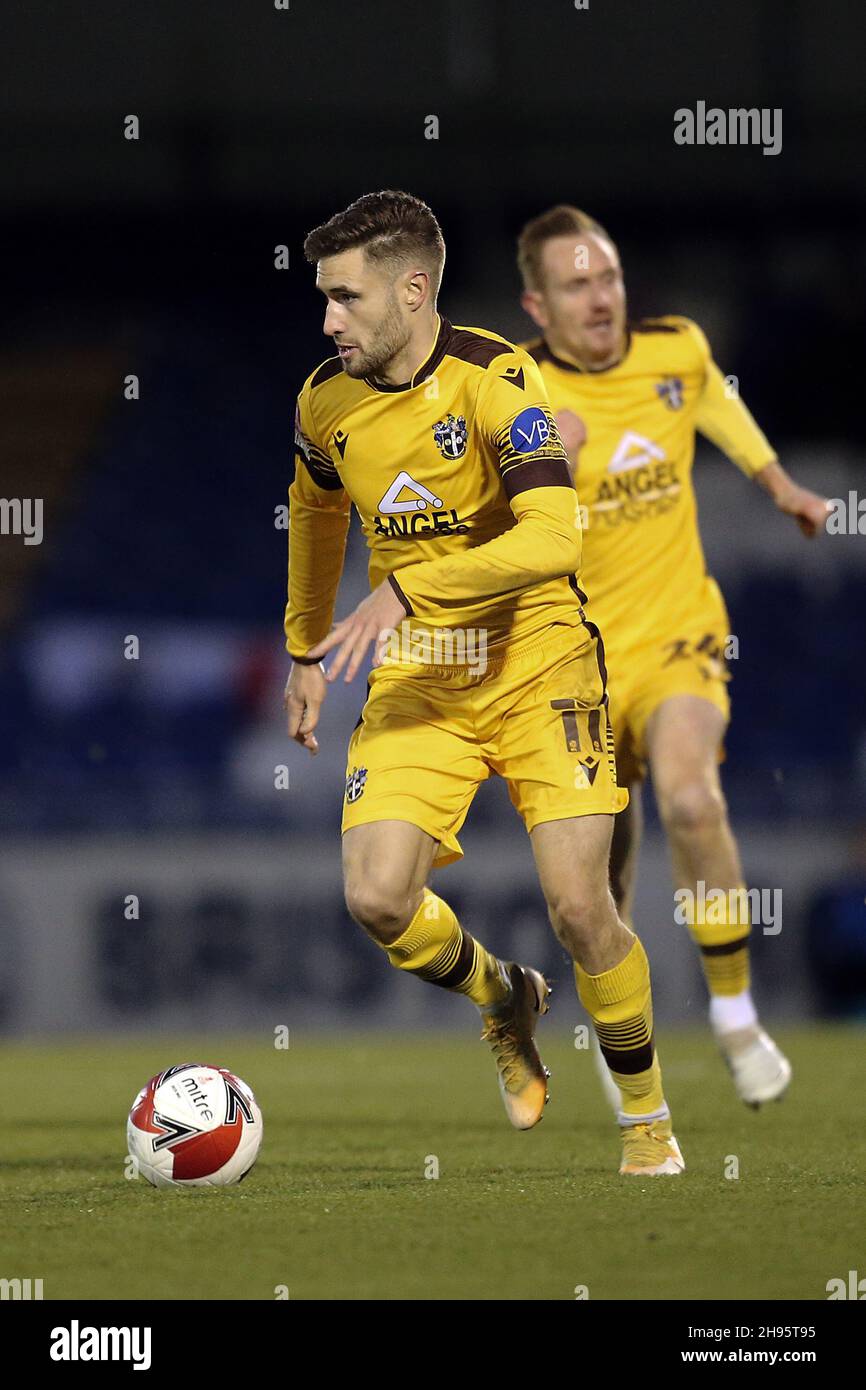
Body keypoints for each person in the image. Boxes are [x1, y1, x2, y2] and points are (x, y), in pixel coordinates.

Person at [283, 189, 683, 1174]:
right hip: (425, 672)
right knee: (377, 899)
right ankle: (501, 994)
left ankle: (647, 1124)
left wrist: (411, 589)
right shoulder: (322, 403)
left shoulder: (494, 380)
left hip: (538, 658)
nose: (327, 319)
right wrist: (302, 647)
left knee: (580, 907)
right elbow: (315, 512)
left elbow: (553, 536)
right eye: (322, 299)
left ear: (412, 290)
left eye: (344, 297)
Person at [517, 204, 830, 1105]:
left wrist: (781, 488)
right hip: (570, 666)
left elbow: (722, 412)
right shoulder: (517, 393)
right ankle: (628, 1044)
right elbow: (483, 512)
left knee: (694, 797)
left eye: (608, 277)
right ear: (538, 306)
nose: (601, 297)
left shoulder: (676, 350)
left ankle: (735, 1016)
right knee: (596, 883)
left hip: (676, 635)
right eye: (577, 285)